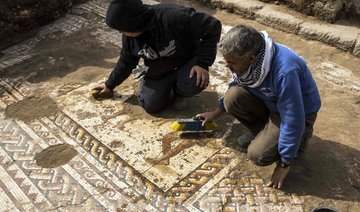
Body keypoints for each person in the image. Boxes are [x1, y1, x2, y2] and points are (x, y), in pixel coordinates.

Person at [197, 24, 321, 189]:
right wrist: (215, 112)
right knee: (232, 97)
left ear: (251, 58)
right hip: (272, 103)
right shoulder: (252, 61)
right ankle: (264, 132)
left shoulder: (285, 72)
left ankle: (300, 140)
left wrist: (285, 163)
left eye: (231, 62)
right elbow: (238, 82)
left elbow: (293, 118)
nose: (227, 66)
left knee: (258, 155)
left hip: (299, 113)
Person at [93, 0, 221, 113]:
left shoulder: (173, 17)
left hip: (186, 61)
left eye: (121, 28)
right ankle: (166, 86)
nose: (121, 32)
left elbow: (213, 26)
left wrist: (202, 63)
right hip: (159, 70)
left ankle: (181, 93)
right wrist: (109, 85)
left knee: (195, 81)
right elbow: (126, 62)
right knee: (151, 105)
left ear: (133, 23)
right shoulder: (129, 38)